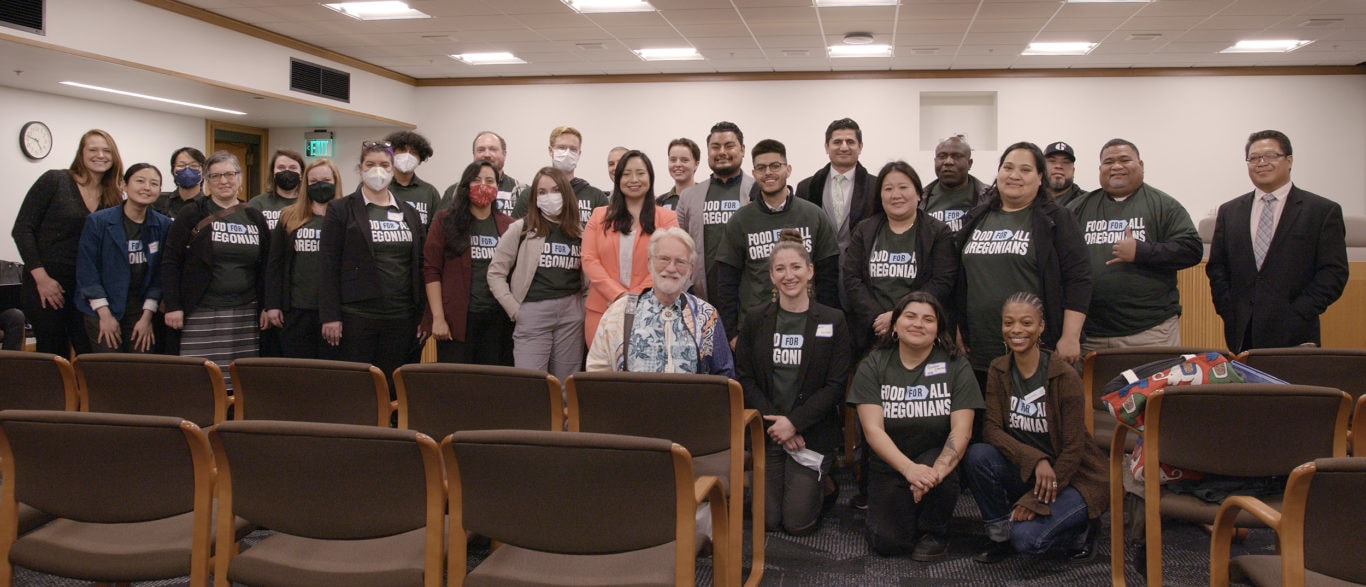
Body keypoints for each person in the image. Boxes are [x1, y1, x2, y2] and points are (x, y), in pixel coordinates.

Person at [962, 292, 1108, 564]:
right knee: (978, 455)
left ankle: (1083, 527)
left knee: (1028, 541)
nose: (1016, 330)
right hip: (1032, 470)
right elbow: (992, 430)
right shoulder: (998, 369)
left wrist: (1034, 500)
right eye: (1009, 323)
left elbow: (1074, 449)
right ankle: (999, 536)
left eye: (1026, 323)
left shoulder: (1063, 375)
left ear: (1041, 327)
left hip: (1073, 477)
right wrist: (1036, 459)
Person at [849, 291, 983, 559]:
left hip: (937, 459)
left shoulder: (956, 365)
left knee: (941, 473)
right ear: (895, 324)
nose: (918, 324)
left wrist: (935, 472)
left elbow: (961, 431)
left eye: (928, 319)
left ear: (938, 329)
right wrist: (909, 469)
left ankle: (935, 530)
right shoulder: (873, 364)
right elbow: (873, 431)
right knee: (889, 543)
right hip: (890, 462)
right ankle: (908, 511)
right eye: (910, 316)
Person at [735, 228, 851, 536]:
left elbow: (835, 385)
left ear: (810, 270)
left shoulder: (833, 320)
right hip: (771, 432)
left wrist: (796, 424)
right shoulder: (755, 319)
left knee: (797, 523)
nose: (789, 275)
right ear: (771, 275)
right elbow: (744, 377)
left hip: (811, 433)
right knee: (768, 521)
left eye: (796, 267)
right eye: (780, 269)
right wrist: (781, 428)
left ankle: (825, 485)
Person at [957, 142, 1090, 387]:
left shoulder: (1057, 219)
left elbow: (1078, 279)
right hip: (979, 349)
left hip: (1038, 349)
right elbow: (960, 277)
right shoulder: (977, 217)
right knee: (987, 423)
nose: (1015, 175)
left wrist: (1071, 336)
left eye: (1026, 170)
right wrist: (958, 327)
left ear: (1041, 178)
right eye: (1008, 167)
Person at [1207, 130, 1349, 353]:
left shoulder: (1321, 211)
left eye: (1271, 156)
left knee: (1295, 388)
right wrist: (1228, 309)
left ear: (1289, 160)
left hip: (1297, 331)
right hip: (1242, 330)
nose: (1261, 163)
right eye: (1254, 158)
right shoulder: (1230, 211)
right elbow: (1217, 267)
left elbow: (1333, 272)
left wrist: (1300, 311)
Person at [1067, 139, 1201, 353]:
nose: (1116, 166)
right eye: (1108, 161)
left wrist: (1142, 251)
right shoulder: (1078, 208)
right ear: (1100, 169)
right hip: (1089, 334)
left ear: (1141, 165)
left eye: (1124, 160)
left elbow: (1192, 249)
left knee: (1151, 388)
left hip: (1150, 333)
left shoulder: (1163, 205)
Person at [319, 140, 426, 386]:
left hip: (401, 316)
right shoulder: (340, 209)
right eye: (371, 164)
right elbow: (328, 264)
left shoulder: (409, 212)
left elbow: (419, 263)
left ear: (392, 169)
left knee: (394, 383)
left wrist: (423, 315)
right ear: (360, 169)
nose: (377, 170)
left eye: (384, 165)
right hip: (357, 316)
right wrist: (330, 315)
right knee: (359, 384)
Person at [161, 151, 270, 389]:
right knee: (199, 378)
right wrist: (173, 305)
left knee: (238, 380)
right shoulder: (191, 213)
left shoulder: (254, 216)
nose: (224, 181)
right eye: (216, 175)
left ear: (240, 178)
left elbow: (265, 266)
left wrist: (265, 305)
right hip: (201, 311)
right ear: (207, 181)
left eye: (230, 174)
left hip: (245, 313)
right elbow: (170, 261)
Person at [12, 129, 124, 357]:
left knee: (87, 351)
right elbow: (22, 229)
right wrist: (42, 278)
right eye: (93, 149)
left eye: (106, 150)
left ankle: (81, 394)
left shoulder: (113, 196)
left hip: (86, 288)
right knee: (53, 352)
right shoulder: (55, 180)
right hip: (47, 283)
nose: (100, 155)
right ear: (81, 154)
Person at [715, 139, 839, 340]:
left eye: (775, 166)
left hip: (807, 326)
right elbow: (726, 284)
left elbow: (828, 279)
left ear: (788, 170)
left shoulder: (814, 216)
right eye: (761, 168)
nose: (768, 173)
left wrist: (825, 328)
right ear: (754, 174)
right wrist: (731, 334)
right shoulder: (740, 221)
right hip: (755, 328)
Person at [843, 160, 957, 355]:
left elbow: (942, 282)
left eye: (903, 187)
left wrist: (899, 316)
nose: (896, 195)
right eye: (888, 189)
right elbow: (852, 279)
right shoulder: (864, 230)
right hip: (873, 331)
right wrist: (879, 318)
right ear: (880, 195)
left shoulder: (938, 232)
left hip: (920, 330)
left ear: (919, 194)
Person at [586, 227, 732, 376]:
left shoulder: (706, 316)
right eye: (664, 259)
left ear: (690, 269)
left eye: (680, 262)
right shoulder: (619, 313)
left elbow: (724, 377)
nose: (671, 268)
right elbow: (597, 373)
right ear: (649, 263)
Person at [488, 167, 586, 383]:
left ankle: (565, 419)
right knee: (532, 384)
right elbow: (495, 273)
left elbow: (587, 279)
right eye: (541, 192)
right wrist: (514, 310)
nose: (549, 196)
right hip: (532, 311)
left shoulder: (580, 232)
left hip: (572, 313)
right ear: (534, 197)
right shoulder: (521, 228)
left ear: (566, 193)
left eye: (555, 190)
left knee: (566, 386)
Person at [581, 150, 680, 346]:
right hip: (601, 309)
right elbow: (589, 260)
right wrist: (618, 295)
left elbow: (668, 262)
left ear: (650, 177)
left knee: (642, 371)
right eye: (626, 174)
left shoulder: (667, 218)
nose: (633, 179)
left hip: (650, 308)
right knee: (602, 372)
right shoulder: (599, 215)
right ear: (618, 179)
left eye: (640, 173)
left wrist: (634, 297)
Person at [423, 160, 515, 365]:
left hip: (497, 320)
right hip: (456, 320)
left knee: (493, 384)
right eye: (476, 180)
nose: (483, 185)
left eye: (489, 180)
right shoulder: (445, 220)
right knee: (457, 387)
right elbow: (431, 270)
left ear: (498, 187)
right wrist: (438, 317)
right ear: (465, 186)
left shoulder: (508, 225)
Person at [75, 163, 172, 353]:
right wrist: (104, 315)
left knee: (141, 366)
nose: (146, 187)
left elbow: (161, 274)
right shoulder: (98, 222)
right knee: (110, 368)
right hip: (102, 306)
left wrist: (146, 318)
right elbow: (87, 271)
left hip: (141, 307)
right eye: (140, 181)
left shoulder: (164, 225)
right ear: (124, 185)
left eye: (154, 184)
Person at [264, 158, 342, 360]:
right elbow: (275, 264)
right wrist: (272, 304)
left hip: (333, 312)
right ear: (305, 184)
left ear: (336, 181)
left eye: (326, 179)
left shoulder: (346, 216)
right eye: (313, 181)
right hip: (296, 309)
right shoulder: (289, 216)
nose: (320, 185)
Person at [676, 121, 757, 300]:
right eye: (715, 147)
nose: (721, 152)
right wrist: (687, 286)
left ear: (742, 149)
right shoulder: (689, 197)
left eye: (729, 146)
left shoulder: (758, 190)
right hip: (702, 295)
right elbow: (679, 247)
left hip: (750, 297)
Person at [795, 118, 877, 253]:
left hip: (861, 267)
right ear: (827, 147)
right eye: (837, 142)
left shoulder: (876, 187)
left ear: (860, 147)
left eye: (850, 142)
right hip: (820, 268)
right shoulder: (806, 187)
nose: (844, 147)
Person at [511, 126, 608, 226]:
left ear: (579, 153)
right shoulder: (531, 194)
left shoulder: (596, 197)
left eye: (573, 149)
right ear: (550, 150)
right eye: (561, 148)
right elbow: (517, 233)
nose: (567, 153)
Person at [921, 135, 990, 233]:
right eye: (942, 156)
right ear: (935, 161)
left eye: (956, 156)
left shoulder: (990, 196)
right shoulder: (919, 198)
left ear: (969, 163)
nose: (948, 162)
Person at [443, 130, 521, 214]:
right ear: (474, 155)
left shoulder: (521, 192)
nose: (487, 154)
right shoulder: (455, 192)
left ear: (504, 154)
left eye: (493, 149)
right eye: (481, 150)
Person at [385, 130, 442, 229]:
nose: (407, 156)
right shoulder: (380, 188)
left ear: (420, 160)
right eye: (402, 150)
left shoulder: (429, 192)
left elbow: (437, 230)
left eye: (413, 152)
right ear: (391, 155)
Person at [247, 148, 306, 230]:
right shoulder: (257, 204)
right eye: (281, 167)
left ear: (302, 174)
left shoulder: (310, 204)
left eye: (293, 168)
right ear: (273, 172)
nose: (287, 171)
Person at [155, 147, 206, 218]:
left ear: (204, 172)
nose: (187, 170)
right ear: (173, 171)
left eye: (194, 165)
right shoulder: (158, 201)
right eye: (181, 165)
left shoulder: (209, 206)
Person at [657, 137, 699, 210]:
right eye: (673, 160)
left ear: (696, 164)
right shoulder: (659, 202)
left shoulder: (706, 197)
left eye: (684, 160)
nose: (678, 164)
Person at [1042, 142, 1086, 207]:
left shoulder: (1087, 202)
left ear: (1073, 171)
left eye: (1066, 162)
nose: (1059, 166)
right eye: (1052, 161)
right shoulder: (1027, 199)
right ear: (1042, 167)